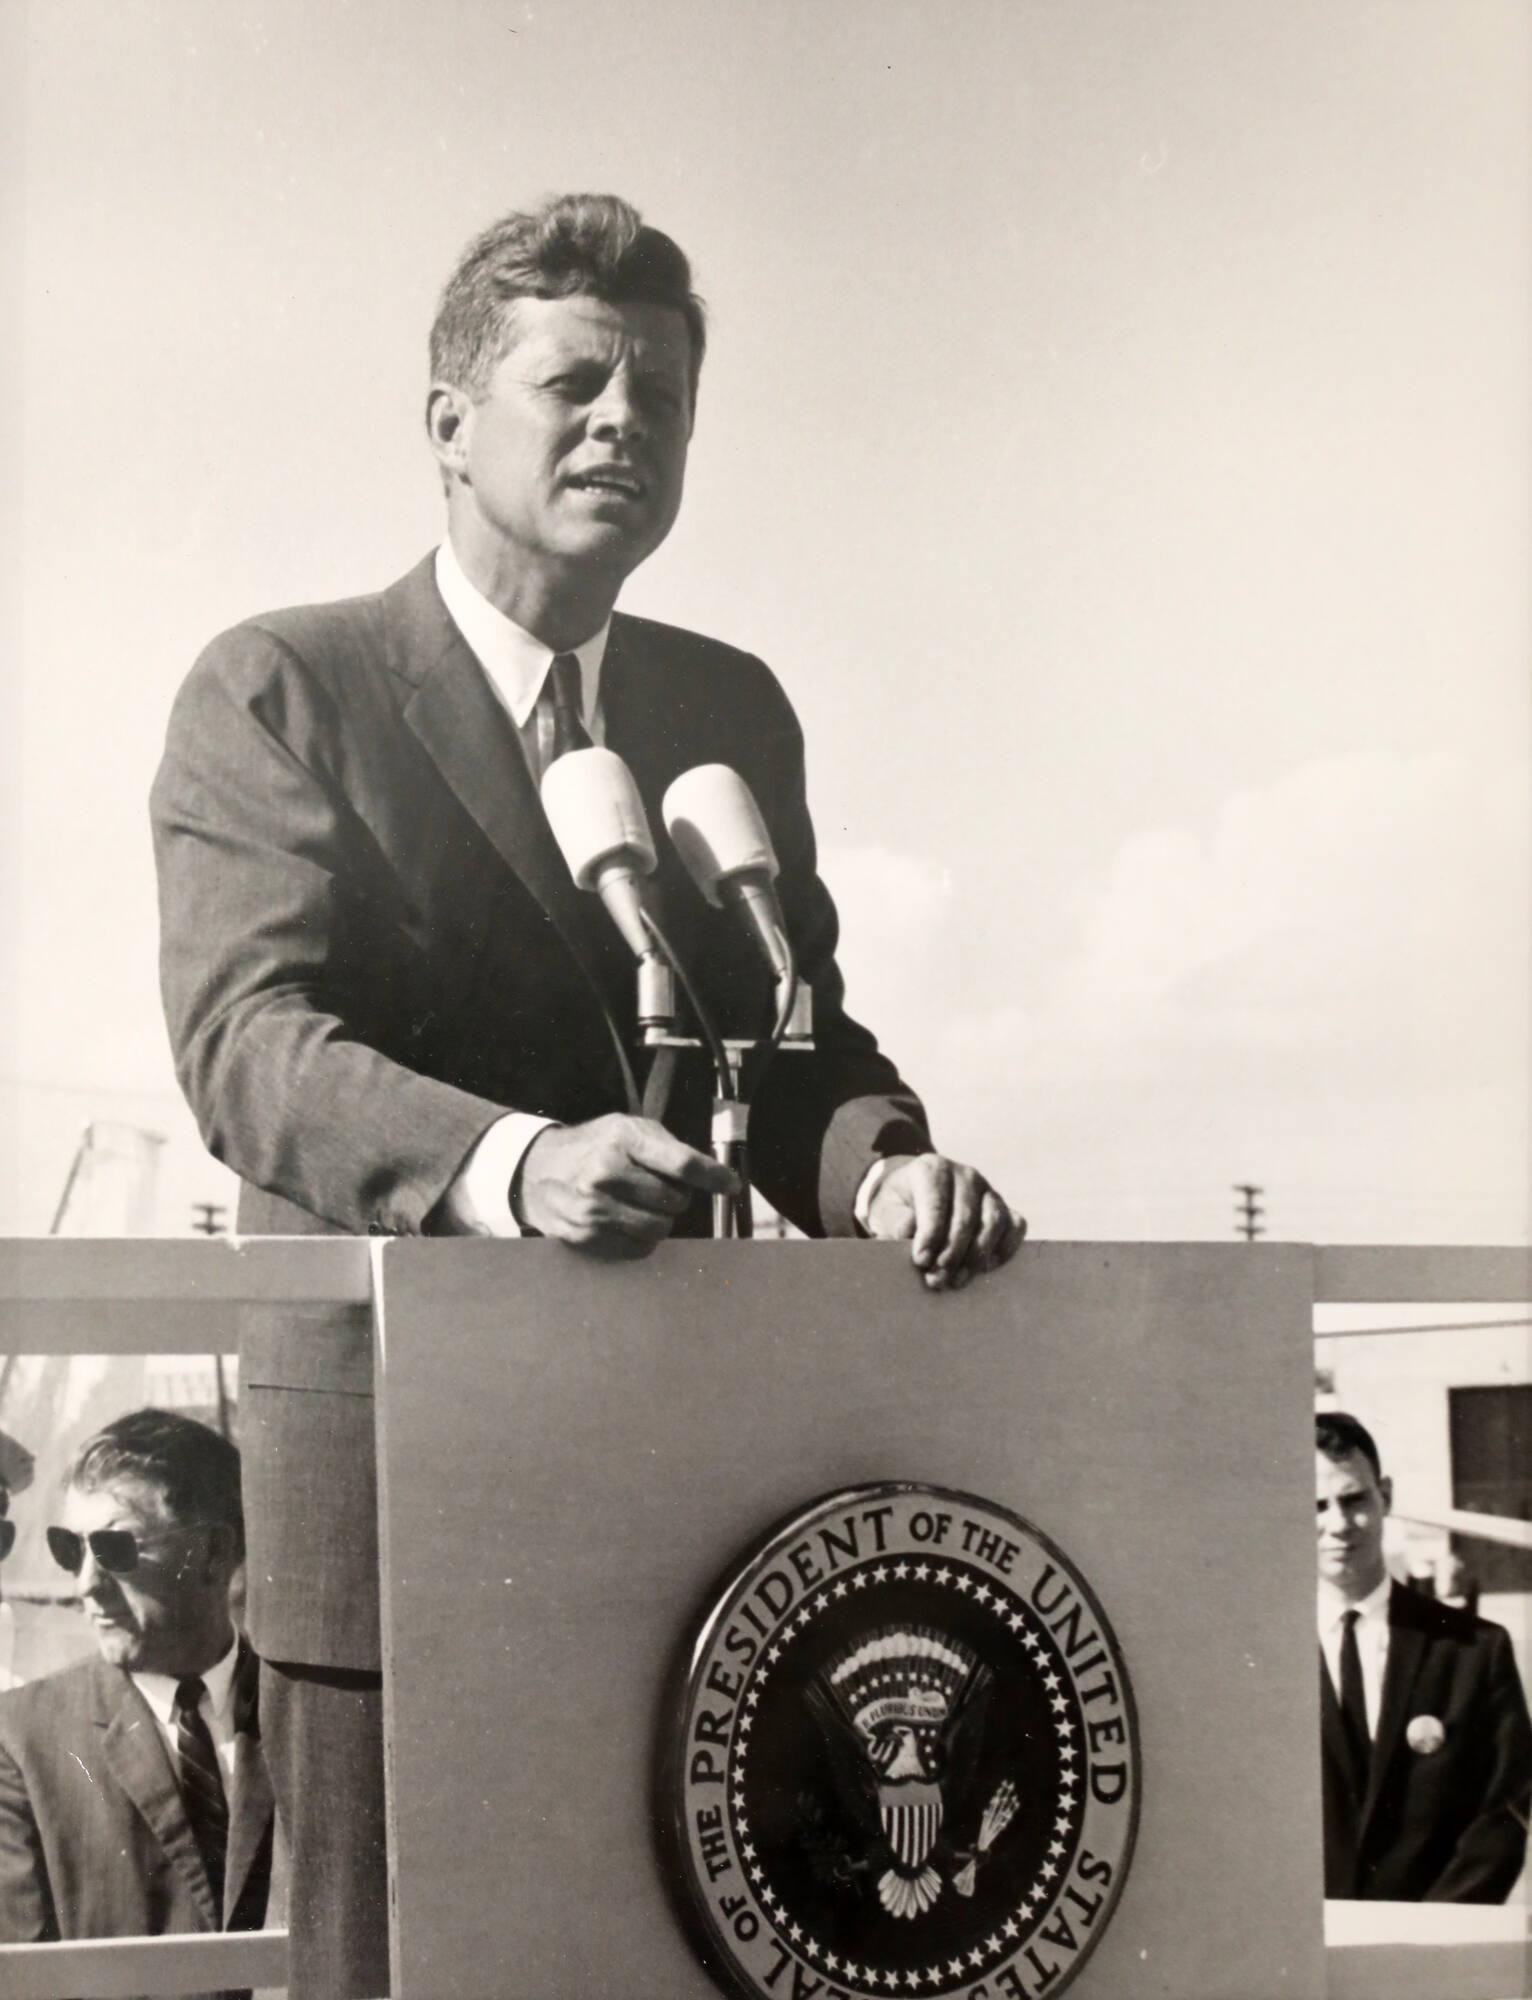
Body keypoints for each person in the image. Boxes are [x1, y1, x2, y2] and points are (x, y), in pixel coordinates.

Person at [150, 192, 1023, 1996]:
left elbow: (798, 1045)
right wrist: (509, 1163)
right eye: (578, 382)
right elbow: (249, 1044)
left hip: (681, 1477)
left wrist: (881, 1173)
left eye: (667, 397)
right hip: (398, 1471)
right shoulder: (284, 688)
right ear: (449, 422)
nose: (630, 422)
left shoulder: (726, 709)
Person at [0, 1409, 273, 1977]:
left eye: (115, 1550)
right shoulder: (20, 1740)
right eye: (69, 1549)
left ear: (213, 1553)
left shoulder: (307, 1714)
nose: (85, 1587)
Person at [1316, 1410, 1532, 1901]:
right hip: (1297, 1958)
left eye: (1353, 1500)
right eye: (1315, 1505)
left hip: (1430, 1957)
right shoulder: (1256, 1660)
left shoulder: (1474, 1652)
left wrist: (1427, 1935)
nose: (1338, 1524)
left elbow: (1503, 1813)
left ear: (1385, 1496)